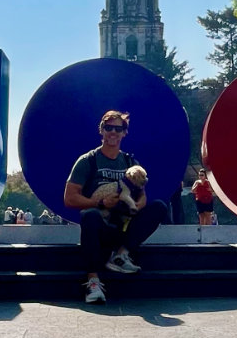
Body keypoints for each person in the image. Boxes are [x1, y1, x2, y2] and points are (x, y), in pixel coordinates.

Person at [64, 111, 169, 304]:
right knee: (89, 216)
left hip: (126, 226)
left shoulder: (131, 162)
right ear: (101, 130)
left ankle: (121, 256)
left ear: (124, 133)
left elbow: (143, 195)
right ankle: (93, 282)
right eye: (108, 127)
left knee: (159, 207)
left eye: (118, 128)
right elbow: (70, 198)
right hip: (101, 227)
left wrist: (138, 204)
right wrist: (100, 203)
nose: (113, 132)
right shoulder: (88, 160)